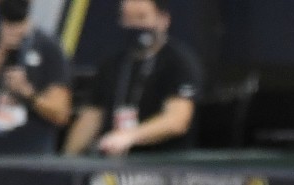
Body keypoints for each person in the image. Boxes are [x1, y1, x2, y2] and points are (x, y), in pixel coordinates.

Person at [64, 0, 200, 157]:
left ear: (163, 20)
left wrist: (130, 136)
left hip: (160, 164)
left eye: (141, 18)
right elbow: (92, 116)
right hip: (115, 166)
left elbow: (177, 120)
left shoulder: (179, 62)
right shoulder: (112, 64)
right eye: (128, 19)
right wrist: (68, 159)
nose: (135, 26)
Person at [0, 0, 71, 156]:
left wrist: (27, 93)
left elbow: (60, 113)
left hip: (31, 156)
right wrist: (0, 50)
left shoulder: (49, 46)